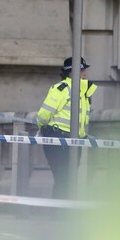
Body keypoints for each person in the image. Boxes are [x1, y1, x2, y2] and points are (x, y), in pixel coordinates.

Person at [37, 56, 98, 199]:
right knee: (63, 179)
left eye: (84, 69)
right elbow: (43, 115)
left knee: (68, 180)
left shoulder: (84, 92)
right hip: (58, 140)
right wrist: (43, 126)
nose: (85, 73)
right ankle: (59, 214)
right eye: (81, 69)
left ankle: (60, 213)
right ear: (71, 72)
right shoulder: (62, 89)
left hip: (75, 142)